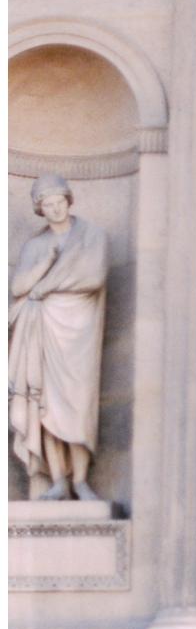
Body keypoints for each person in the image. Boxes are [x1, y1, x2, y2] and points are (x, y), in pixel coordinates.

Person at [9, 174, 108, 501]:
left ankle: (80, 480)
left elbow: (93, 276)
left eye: (59, 202)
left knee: (79, 403)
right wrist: (47, 262)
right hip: (43, 328)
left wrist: (47, 287)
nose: (54, 209)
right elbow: (18, 288)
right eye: (47, 205)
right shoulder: (37, 245)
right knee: (44, 405)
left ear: (69, 200)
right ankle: (58, 481)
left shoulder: (91, 236)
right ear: (40, 209)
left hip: (79, 329)